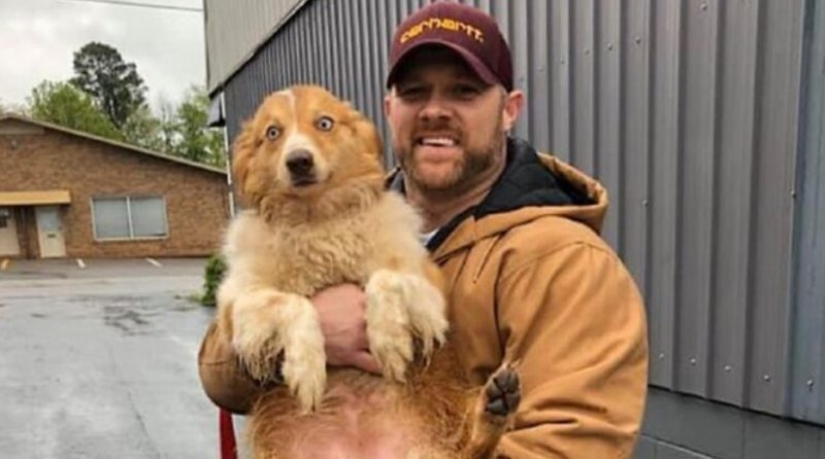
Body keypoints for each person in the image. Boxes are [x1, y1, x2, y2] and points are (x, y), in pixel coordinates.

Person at [198, 1, 649, 457]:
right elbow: (219, 377)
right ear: (389, 109)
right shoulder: (328, 213)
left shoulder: (564, 261)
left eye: (464, 91)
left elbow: (570, 447)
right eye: (415, 93)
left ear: (510, 109)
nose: (435, 110)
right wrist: (305, 332)